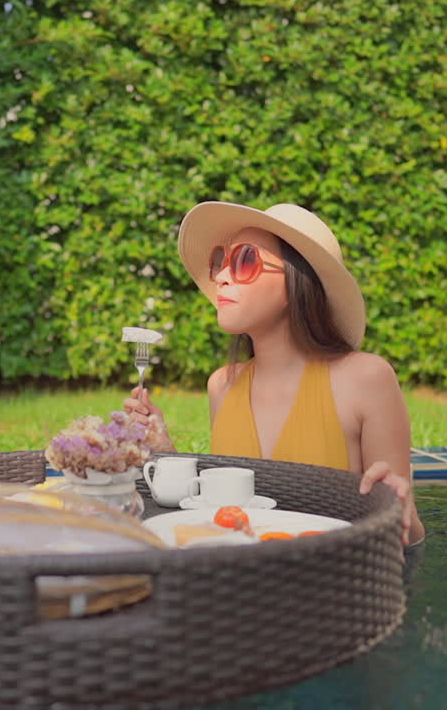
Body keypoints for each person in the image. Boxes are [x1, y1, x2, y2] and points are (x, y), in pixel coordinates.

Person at [124, 201, 425, 546]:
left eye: (245, 260)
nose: (222, 276)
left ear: (297, 282)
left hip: (333, 583)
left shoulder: (365, 379)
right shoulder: (223, 385)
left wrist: (399, 511)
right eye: (222, 262)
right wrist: (165, 451)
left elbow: (410, 534)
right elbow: (223, 513)